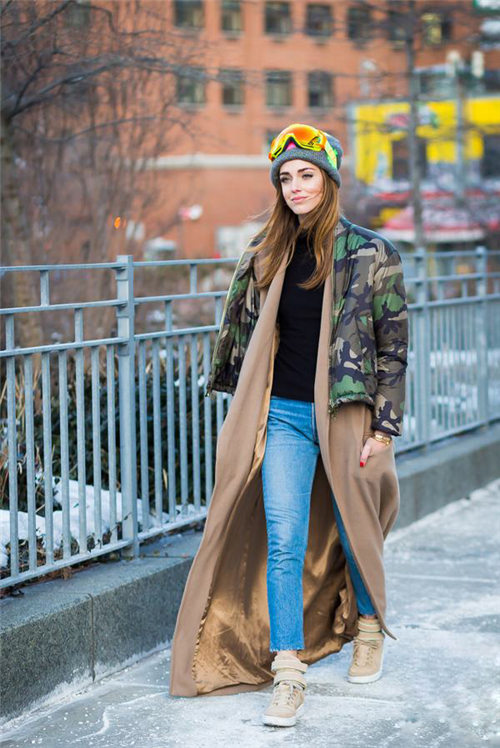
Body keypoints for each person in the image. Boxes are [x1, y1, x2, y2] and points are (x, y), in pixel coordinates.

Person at [168, 124, 408, 730]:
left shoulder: (371, 254)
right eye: (285, 177)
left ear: (329, 180)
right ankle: (288, 671)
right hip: (283, 416)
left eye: (307, 175)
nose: (295, 186)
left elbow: (393, 350)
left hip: (347, 415)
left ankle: (368, 628)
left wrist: (383, 429)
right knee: (284, 537)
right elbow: (243, 337)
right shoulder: (265, 254)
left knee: (355, 529)